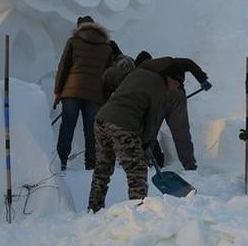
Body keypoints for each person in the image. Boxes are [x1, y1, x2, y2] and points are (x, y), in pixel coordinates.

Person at [88, 57, 200, 211]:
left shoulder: (138, 73)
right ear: (170, 78)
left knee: (103, 167)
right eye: (178, 83)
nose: (177, 87)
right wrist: (146, 145)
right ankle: (138, 211)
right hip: (122, 124)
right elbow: (152, 121)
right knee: (137, 170)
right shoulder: (160, 89)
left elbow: (111, 78)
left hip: (101, 119)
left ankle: (94, 207)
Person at [102, 50, 210, 171]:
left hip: (161, 95)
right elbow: (188, 63)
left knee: (150, 129)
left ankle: (150, 162)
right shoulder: (166, 62)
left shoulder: (139, 71)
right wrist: (202, 79)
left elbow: (112, 77)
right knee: (181, 130)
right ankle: (189, 165)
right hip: (177, 95)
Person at [53, 16, 114, 170]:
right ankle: (91, 165)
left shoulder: (74, 42)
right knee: (91, 131)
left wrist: (58, 91)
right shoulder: (106, 47)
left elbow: (63, 67)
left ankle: (62, 162)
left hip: (71, 92)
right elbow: (109, 75)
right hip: (94, 95)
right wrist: (105, 98)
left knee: (67, 127)